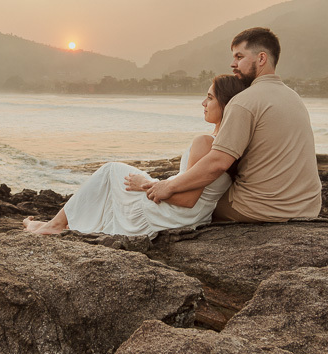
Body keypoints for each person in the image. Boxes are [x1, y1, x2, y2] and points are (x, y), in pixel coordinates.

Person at [22, 75, 247, 236]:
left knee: (111, 171)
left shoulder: (206, 143)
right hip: (195, 218)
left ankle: (54, 225)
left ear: (226, 104)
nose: (203, 103)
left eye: (210, 97)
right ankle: (58, 223)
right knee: (115, 186)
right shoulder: (231, 147)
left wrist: (145, 185)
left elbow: (187, 199)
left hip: (174, 215)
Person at [144, 27, 322, 222]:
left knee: (199, 201)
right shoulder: (294, 97)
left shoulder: (244, 101)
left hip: (260, 209)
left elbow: (218, 163)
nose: (232, 64)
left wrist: (167, 187)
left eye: (239, 57)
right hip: (308, 207)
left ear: (261, 59)